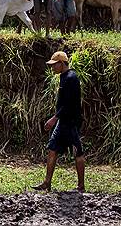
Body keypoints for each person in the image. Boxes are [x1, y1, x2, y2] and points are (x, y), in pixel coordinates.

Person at [33, 51, 85, 193]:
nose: (52, 68)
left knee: (78, 152)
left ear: (62, 63)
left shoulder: (71, 78)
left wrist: (54, 118)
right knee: (52, 150)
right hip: (62, 122)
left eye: (54, 65)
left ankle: (81, 187)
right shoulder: (64, 77)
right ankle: (47, 183)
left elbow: (69, 103)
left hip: (70, 121)